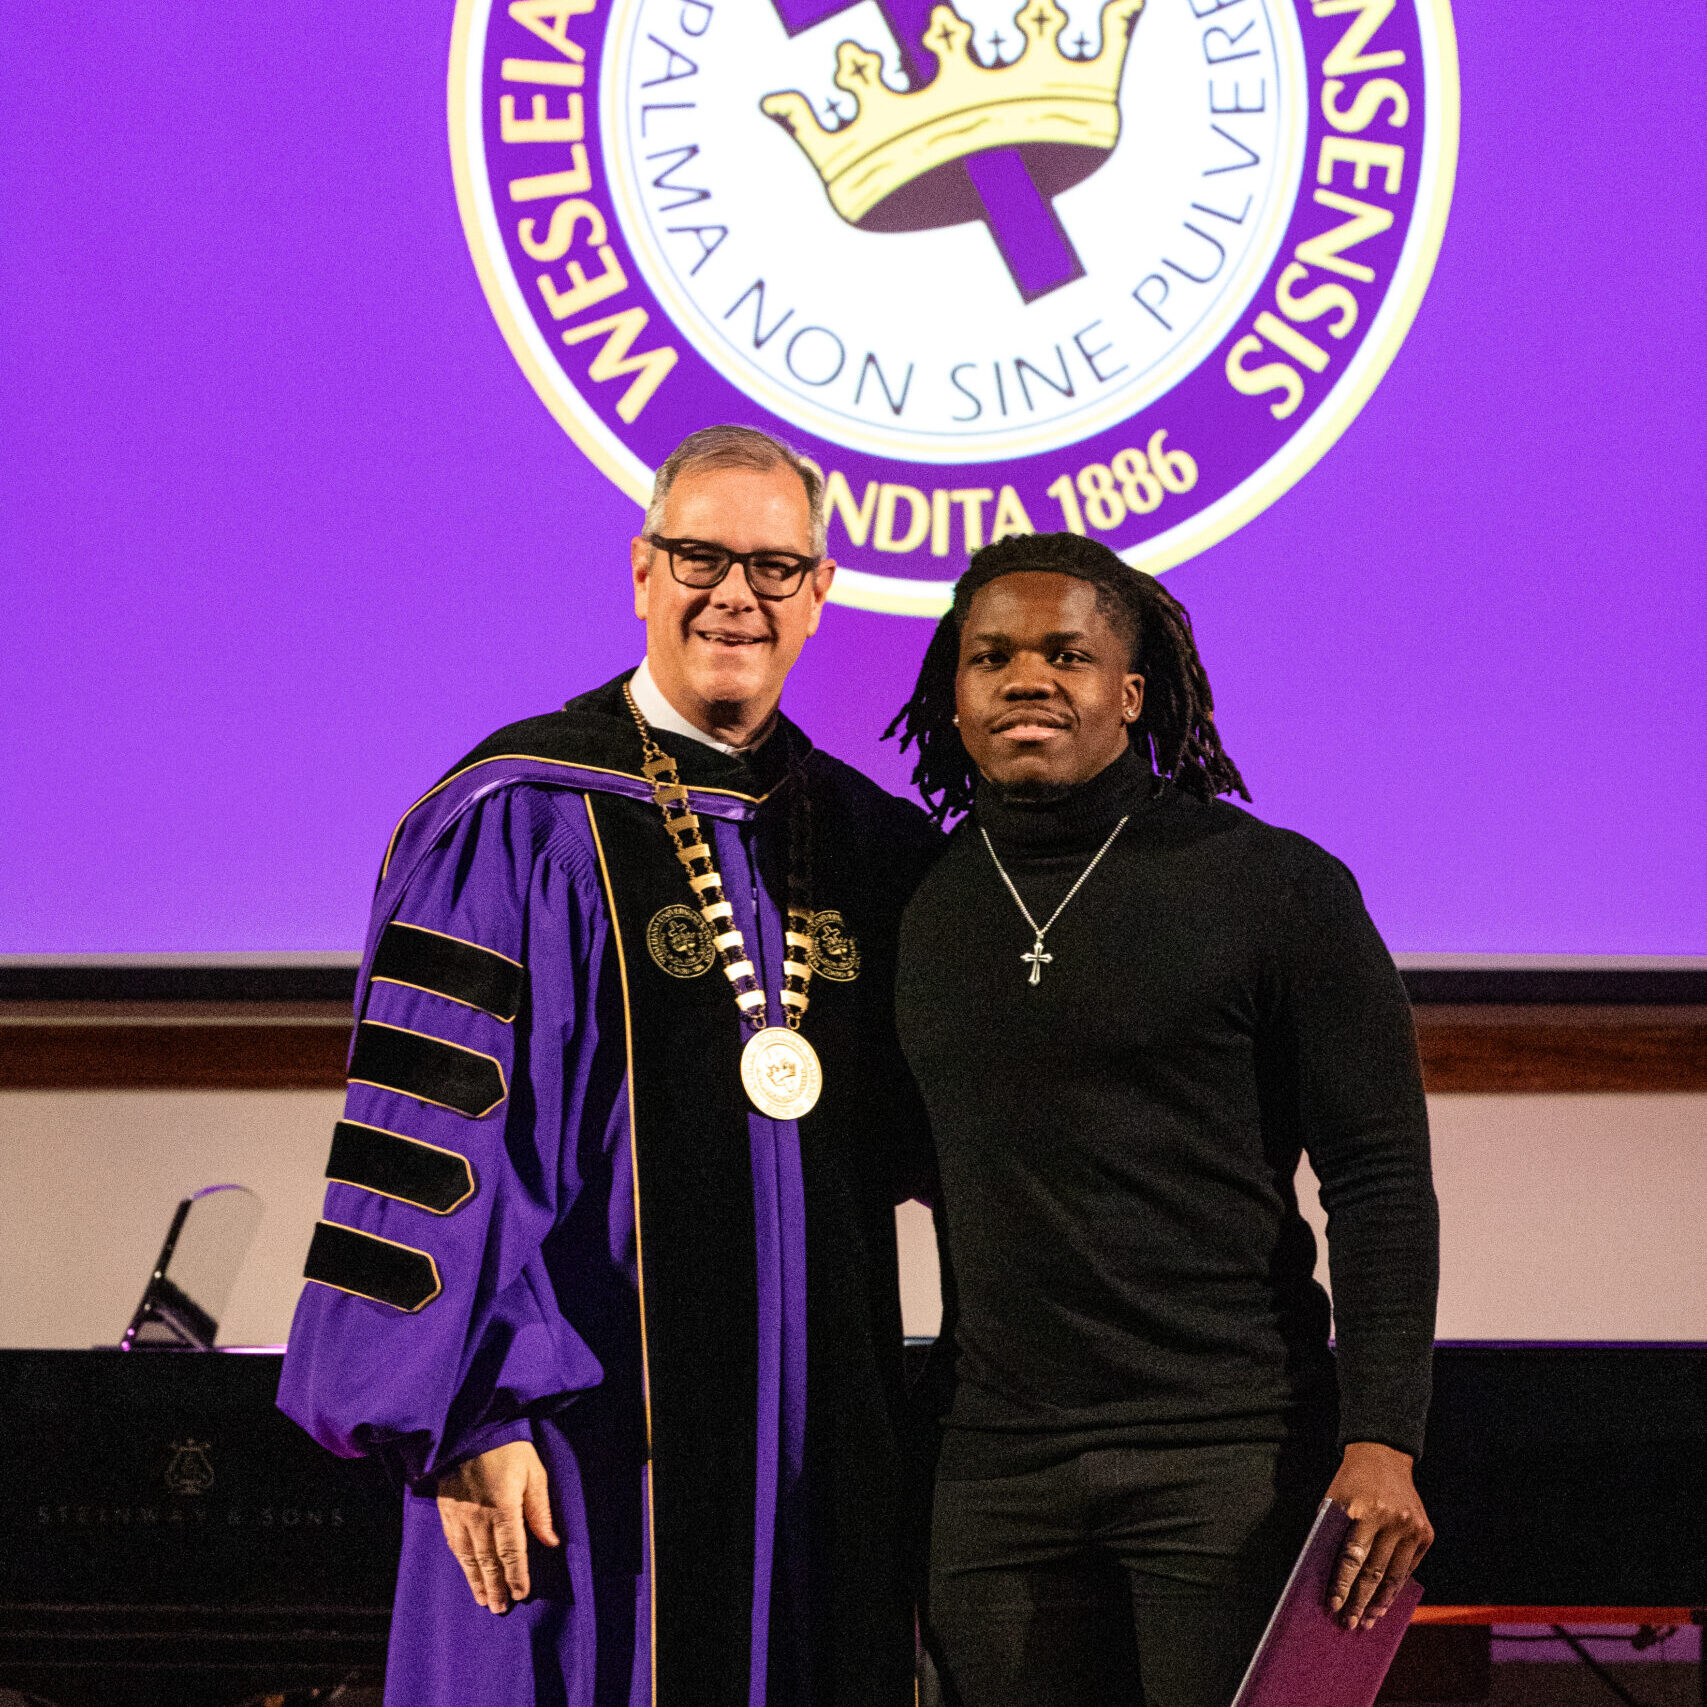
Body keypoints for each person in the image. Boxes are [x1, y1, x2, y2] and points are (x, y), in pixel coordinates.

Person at [279, 425, 938, 1707]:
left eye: (772, 565)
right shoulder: (517, 821)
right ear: (642, 570)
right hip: (576, 1438)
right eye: (700, 556)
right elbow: (432, 1152)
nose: (733, 594)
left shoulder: (871, 846)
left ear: (821, 593)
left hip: (821, 1452)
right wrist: (468, 1416)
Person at [886, 533, 1439, 1707]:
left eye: (1066, 653)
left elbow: (1378, 1174)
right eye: (991, 656)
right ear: (955, 691)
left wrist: (1383, 1435)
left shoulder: (1272, 885)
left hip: (1228, 1455)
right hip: (996, 1468)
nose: (1027, 678)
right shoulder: (915, 908)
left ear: (1130, 695)